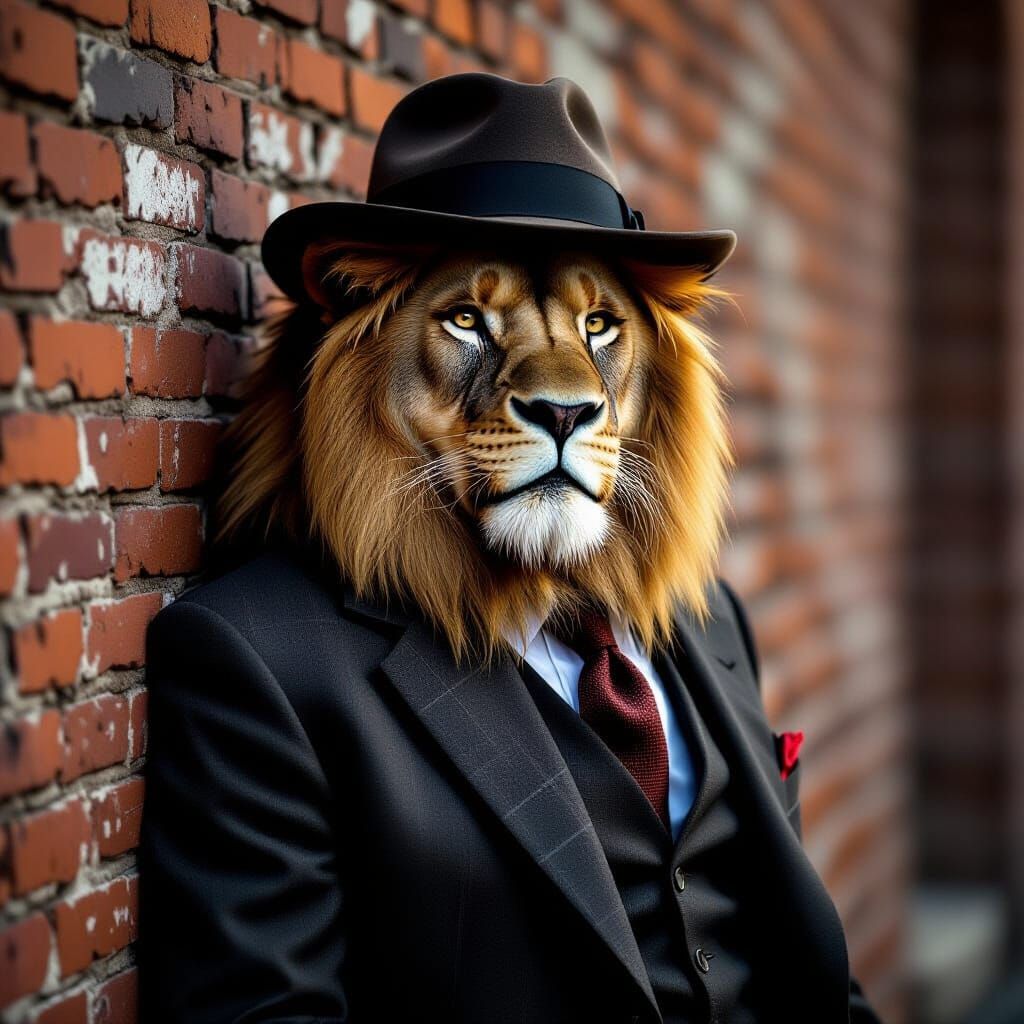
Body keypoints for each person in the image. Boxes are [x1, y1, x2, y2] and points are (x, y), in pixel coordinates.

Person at [137, 72, 882, 1024]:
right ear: (356, 346)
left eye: (599, 326)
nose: (563, 389)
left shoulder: (712, 623)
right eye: (467, 321)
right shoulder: (263, 664)